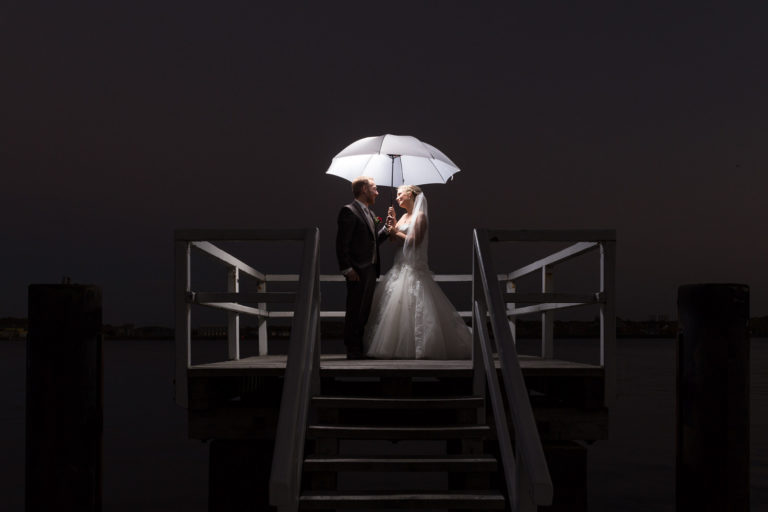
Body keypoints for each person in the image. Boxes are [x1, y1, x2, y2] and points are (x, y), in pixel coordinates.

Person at [364, 185, 472, 359]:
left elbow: (415, 240)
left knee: (416, 305)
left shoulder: (420, 217)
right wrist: (391, 222)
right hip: (399, 265)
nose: (398, 198)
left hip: (413, 266)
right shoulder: (403, 217)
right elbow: (394, 240)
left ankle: (419, 346)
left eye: (400, 194)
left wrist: (395, 232)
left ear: (410, 195)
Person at [336, 176, 393, 359]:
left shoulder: (369, 213)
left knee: (364, 310)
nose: (378, 192)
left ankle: (359, 349)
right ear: (363, 189)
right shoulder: (349, 211)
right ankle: (352, 350)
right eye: (374, 188)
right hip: (357, 270)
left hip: (370, 269)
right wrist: (347, 268)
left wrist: (386, 228)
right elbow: (341, 243)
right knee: (355, 309)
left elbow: (373, 241)